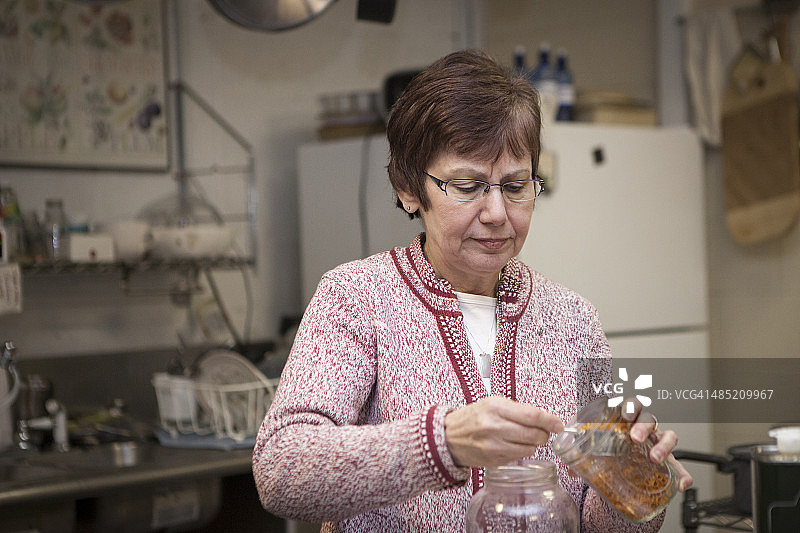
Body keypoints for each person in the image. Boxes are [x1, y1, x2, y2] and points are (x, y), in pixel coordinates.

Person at [253, 49, 692, 532]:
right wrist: (442, 443)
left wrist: (633, 483)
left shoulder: (573, 320)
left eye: (516, 186)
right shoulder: (357, 298)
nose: (497, 213)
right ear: (408, 189)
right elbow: (280, 470)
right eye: (467, 186)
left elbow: (599, 521)